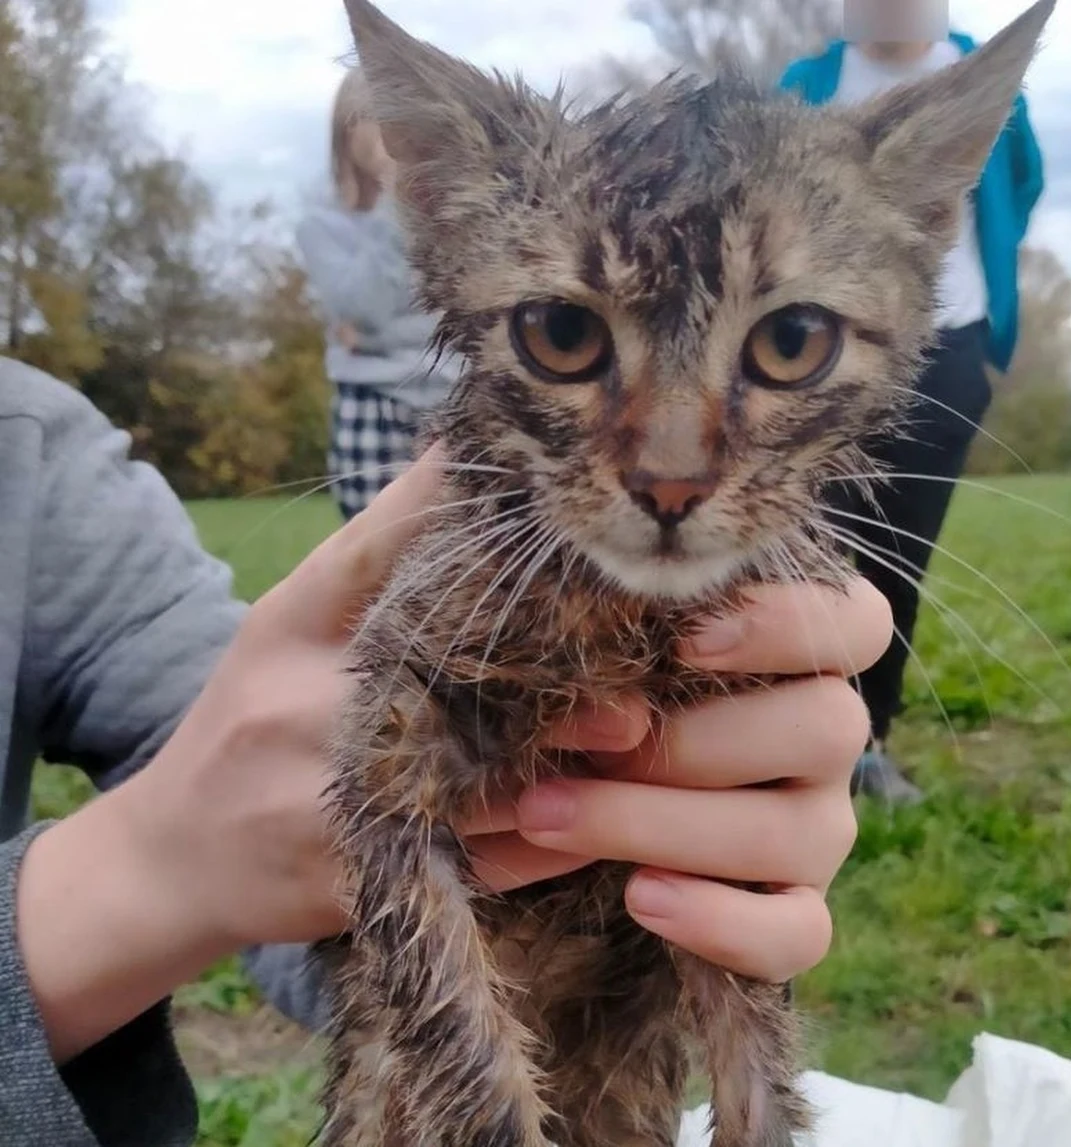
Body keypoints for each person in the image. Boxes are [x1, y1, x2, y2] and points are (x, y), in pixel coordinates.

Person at [0, 354, 891, 1147]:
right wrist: (153, 864)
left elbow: (242, 748)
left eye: (787, 342)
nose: (671, 465)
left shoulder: (38, 453)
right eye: (566, 332)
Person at [779, 7, 1045, 803]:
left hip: (948, 347)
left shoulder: (987, 80)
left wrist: (980, 281)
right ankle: (785, 743)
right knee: (802, 555)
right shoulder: (807, 86)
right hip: (812, 365)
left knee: (901, 558)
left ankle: (870, 743)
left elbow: (1020, 184)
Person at [297, 67, 459, 522]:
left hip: (450, 396)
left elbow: (457, 311)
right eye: (375, 117)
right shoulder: (321, 226)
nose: (390, 132)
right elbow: (361, 307)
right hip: (370, 400)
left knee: (459, 549)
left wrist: (375, 336)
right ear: (346, 132)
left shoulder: (447, 218)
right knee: (369, 554)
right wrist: (398, 198)